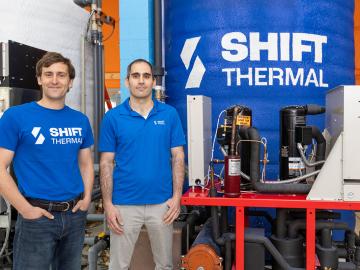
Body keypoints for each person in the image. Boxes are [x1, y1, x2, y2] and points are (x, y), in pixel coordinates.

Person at [0, 52, 94, 270]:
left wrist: (87, 198)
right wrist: (25, 210)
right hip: (37, 217)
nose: (54, 80)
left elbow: (86, 163)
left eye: (61, 75)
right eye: (48, 74)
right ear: (39, 79)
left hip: (74, 215)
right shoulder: (16, 117)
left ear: (70, 82)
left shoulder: (80, 120)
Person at [99, 59, 185, 269]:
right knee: (118, 265)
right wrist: (108, 204)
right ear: (127, 81)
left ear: (152, 81)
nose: (141, 81)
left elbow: (178, 157)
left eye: (146, 76)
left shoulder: (169, 114)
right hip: (124, 204)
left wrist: (176, 197)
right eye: (135, 76)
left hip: (162, 204)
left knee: (164, 265)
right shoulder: (113, 118)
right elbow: (106, 163)